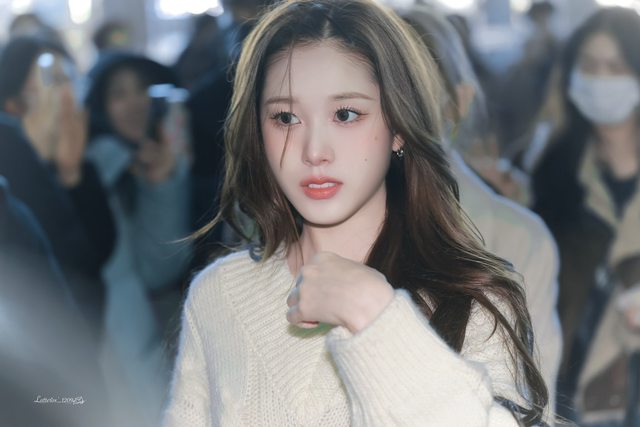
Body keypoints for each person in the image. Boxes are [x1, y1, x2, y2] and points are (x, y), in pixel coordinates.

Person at [164, 1, 548, 425]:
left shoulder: (472, 302)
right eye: (285, 117)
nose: (314, 151)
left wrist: (375, 316)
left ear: (398, 127)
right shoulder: (219, 295)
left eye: (345, 115)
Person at [401, 5, 562, 418]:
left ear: (460, 101)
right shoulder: (311, 222)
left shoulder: (519, 237)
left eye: (415, 90)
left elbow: (531, 405)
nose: (399, 114)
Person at [532, 7, 640, 425]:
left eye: (616, 67)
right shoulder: (551, 169)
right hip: (574, 390)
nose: (600, 80)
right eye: (590, 66)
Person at [84, 50, 193, 426]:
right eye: (118, 94)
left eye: (144, 89)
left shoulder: (167, 156)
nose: (135, 103)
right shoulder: (99, 175)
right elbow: (156, 269)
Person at [0, 36, 115, 335]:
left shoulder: (81, 160)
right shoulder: (9, 170)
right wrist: (34, 158)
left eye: (70, 78)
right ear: (13, 104)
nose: (68, 93)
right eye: (52, 80)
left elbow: (95, 260)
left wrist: (71, 175)